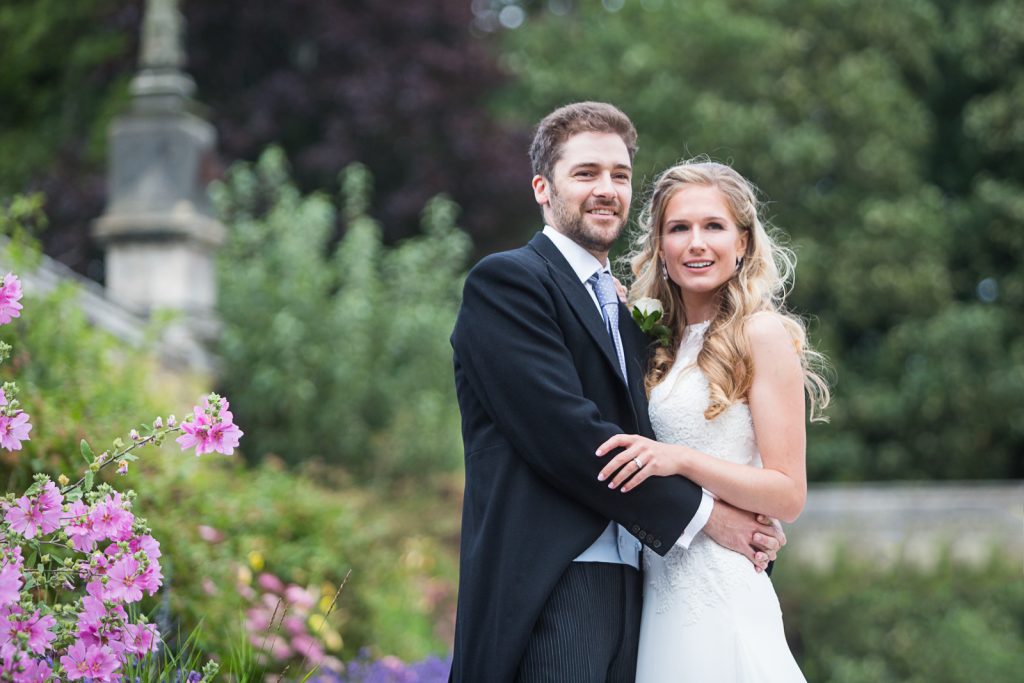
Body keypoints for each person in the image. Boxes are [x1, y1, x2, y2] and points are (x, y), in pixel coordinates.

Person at [448, 103, 787, 683]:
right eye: (585, 173)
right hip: (558, 576)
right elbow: (568, 436)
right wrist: (709, 516)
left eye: (620, 175)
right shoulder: (508, 284)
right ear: (542, 188)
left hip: (646, 579)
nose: (606, 189)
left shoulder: (636, 313)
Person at [595, 159, 831, 682]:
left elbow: (787, 493)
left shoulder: (762, 335)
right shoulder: (654, 339)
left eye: (714, 226)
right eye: (679, 228)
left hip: (720, 590)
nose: (696, 243)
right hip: (656, 590)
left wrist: (677, 458)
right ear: (659, 244)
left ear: (743, 242)